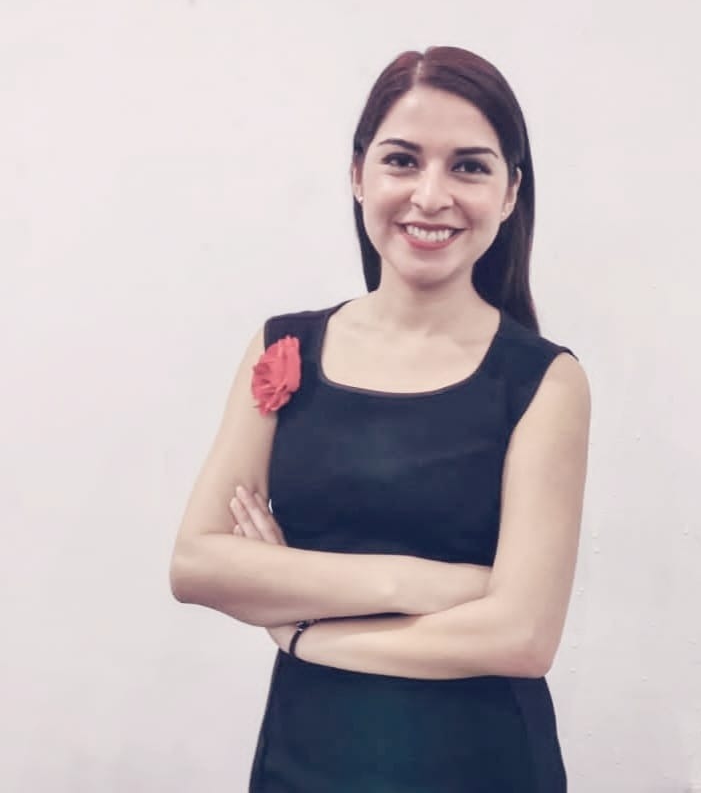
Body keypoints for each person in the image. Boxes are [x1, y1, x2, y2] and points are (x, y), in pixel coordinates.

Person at [170, 45, 591, 792]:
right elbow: (197, 565)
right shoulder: (284, 348)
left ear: (509, 192)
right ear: (358, 174)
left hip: (482, 764)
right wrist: (418, 584)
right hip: (304, 761)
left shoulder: (544, 380)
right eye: (403, 160)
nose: (431, 195)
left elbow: (522, 636)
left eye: (469, 166)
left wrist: (302, 631)